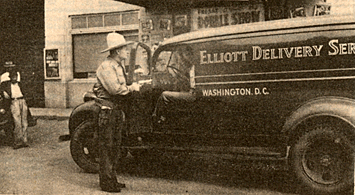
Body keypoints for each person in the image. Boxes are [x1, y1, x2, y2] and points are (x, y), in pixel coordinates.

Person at [93, 32, 140, 192]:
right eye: (124, 48)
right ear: (117, 51)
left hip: (115, 111)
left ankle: (112, 178)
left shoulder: (117, 65)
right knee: (107, 147)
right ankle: (106, 182)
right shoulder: (106, 66)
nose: (127, 51)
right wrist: (131, 88)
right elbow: (114, 89)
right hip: (108, 111)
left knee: (115, 147)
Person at [153, 46, 196, 123]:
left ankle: (157, 119)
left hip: (193, 94)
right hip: (192, 92)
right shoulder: (191, 67)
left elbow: (192, 84)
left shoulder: (193, 67)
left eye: (188, 54)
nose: (186, 57)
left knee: (164, 95)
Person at [1, 67, 29, 149]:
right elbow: (1, 90)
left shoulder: (20, 84)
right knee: (17, 122)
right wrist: (3, 93)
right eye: (13, 77)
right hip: (14, 102)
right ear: (10, 78)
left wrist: (26, 101)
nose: (14, 78)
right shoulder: (6, 86)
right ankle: (18, 141)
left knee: (24, 122)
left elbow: (26, 92)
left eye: (15, 77)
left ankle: (25, 141)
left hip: (22, 101)